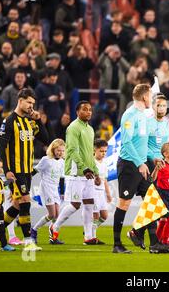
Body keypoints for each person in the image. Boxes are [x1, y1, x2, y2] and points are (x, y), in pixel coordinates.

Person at [113, 84, 169, 254]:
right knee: (124, 203)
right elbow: (127, 142)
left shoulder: (143, 117)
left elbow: (144, 144)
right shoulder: (129, 115)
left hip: (142, 165)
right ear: (145, 97)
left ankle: (154, 243)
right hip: (129, 165)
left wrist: (153, 158)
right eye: (151, 96)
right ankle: (117, 244)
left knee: (152, 202)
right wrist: (139, 162)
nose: (153, 99)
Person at [0, 88, 49, 252]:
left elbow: (46, 139)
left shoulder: (29, 121)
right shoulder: (9, 121)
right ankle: (28, 241)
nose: (31, 106)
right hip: (15, 170)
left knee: (18, 205)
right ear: (20, 100)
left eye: (33, 103)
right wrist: (7, 170)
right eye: (29, 102)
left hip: (27, 170)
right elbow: (1, 148)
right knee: (25, 202)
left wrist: (39, 120)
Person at [50, 101, 101, 245]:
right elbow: (71, 150)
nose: (89, 112)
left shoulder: (90, 129)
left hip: (88, 172)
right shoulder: (73, 127)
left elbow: (90, 153)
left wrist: (96, 172)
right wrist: (83, 168)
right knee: (75, 204)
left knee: (89, 202)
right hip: (75, 172)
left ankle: (88, 237)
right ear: (77, 111)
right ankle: (55, 226)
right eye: (85, 109)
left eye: (90, 110)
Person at [30, 139, 66, 245]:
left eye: (62, 151)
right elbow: (35, 171)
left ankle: (53, 237)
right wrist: (26, 181)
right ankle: (34, 230)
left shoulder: (62, 161)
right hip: (46, 187)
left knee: (57, 215)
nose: (60, 153)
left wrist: (62, 192)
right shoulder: (46, 160)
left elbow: (62, 178)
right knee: (52, 214)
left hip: (55, 189)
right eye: (58, 150)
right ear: (53, 149)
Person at [92, 139, 112, 244]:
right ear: (95, 149)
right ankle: (92, 236)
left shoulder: (105, 163)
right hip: (93, 191)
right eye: (101, 151)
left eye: (105, 151)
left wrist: (108, 194)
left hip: (101, 192)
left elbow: (105, 180)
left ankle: (90, 230)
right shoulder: (91, 162)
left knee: (104, 216)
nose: (103, 153)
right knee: (95, 216)